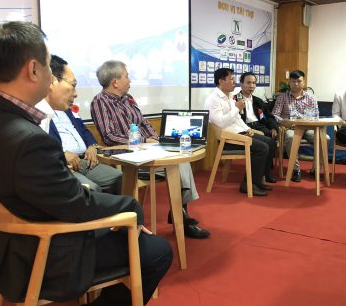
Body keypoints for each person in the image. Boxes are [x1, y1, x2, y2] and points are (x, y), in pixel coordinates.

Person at [0, 22, 172, 306]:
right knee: (158, 251)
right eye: (48, 67)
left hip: (4, 244)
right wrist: (132, 207)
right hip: (44, 252)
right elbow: (76, 204)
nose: (52, 78)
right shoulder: (28, 140)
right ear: (33, 70)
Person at [91, 60, 210, 239]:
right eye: (126, 76)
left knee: (180, 159)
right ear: (115, 82)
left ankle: (180, 213)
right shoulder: (100, 102)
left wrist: (157, 139)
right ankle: (180, 217)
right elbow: (109, 136)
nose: (130, 80)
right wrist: (144, 141)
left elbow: (143, 122)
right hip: (126, 157)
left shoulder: (128, 99)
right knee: (180, 164)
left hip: (147, 149)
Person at [37, 55, 122, 194]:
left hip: (84, 159)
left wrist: (93, 146)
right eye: (73, 85)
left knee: (118, 177)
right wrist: (61, 155)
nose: (76, 94)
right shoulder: (38, 113)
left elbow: (84, 129)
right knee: (91, 189)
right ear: (52, 81)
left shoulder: (67, 109)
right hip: (63, 163)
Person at [205, 67, 275, 196]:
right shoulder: (213, 99)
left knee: (269, 142)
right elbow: (221, 122)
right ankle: (247, 185)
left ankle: (258, 181)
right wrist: (236, 108)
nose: (234, 82)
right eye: (231, 79)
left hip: (239, 133)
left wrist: (247, 129)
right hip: (228, 139)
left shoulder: (229, 96)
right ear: (221, 81)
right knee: (262, 148)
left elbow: (237, 118)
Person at [272, 70, 319, 182]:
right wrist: (284, 121)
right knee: (290, 137)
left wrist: (309, 122)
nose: (296, 84)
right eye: (293, 81)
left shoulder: (311, 98)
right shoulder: (282, 97)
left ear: (304, 82)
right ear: (289, 82)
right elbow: (275, 115)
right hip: (291, 128)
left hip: (308, 128)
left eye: (299, 81)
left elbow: (316, 116)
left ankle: (315, 168)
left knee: (325, 139)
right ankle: (296, 169)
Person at [235, 72, 279, 182]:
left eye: (254, 83)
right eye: (248, 83)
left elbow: (269, 116)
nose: (251, 86)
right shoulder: (235, 99)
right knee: (266, 141)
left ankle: (266, 173)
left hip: (259, 125)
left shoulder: (258, 100)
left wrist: (273, 127)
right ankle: (260, 175)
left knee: (271, 138)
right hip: (245, 127)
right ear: (241, 84)